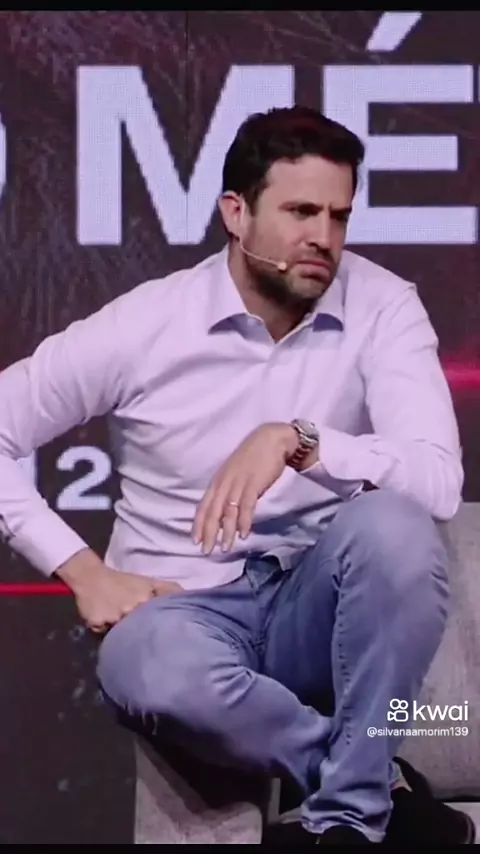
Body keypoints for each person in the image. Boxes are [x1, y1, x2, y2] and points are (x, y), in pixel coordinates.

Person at [0, 106, 473, 846]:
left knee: (395, 525)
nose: (324, 238)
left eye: (339, 216)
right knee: (146, 665)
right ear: (235, 212)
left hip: (319, 604)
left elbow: (438, 480)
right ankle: (371, 787)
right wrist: (83, 570)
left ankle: (347, 819)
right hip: (182, 609)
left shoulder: (383, 306)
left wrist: (303, 440)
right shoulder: (149, 323)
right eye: (300, 212)